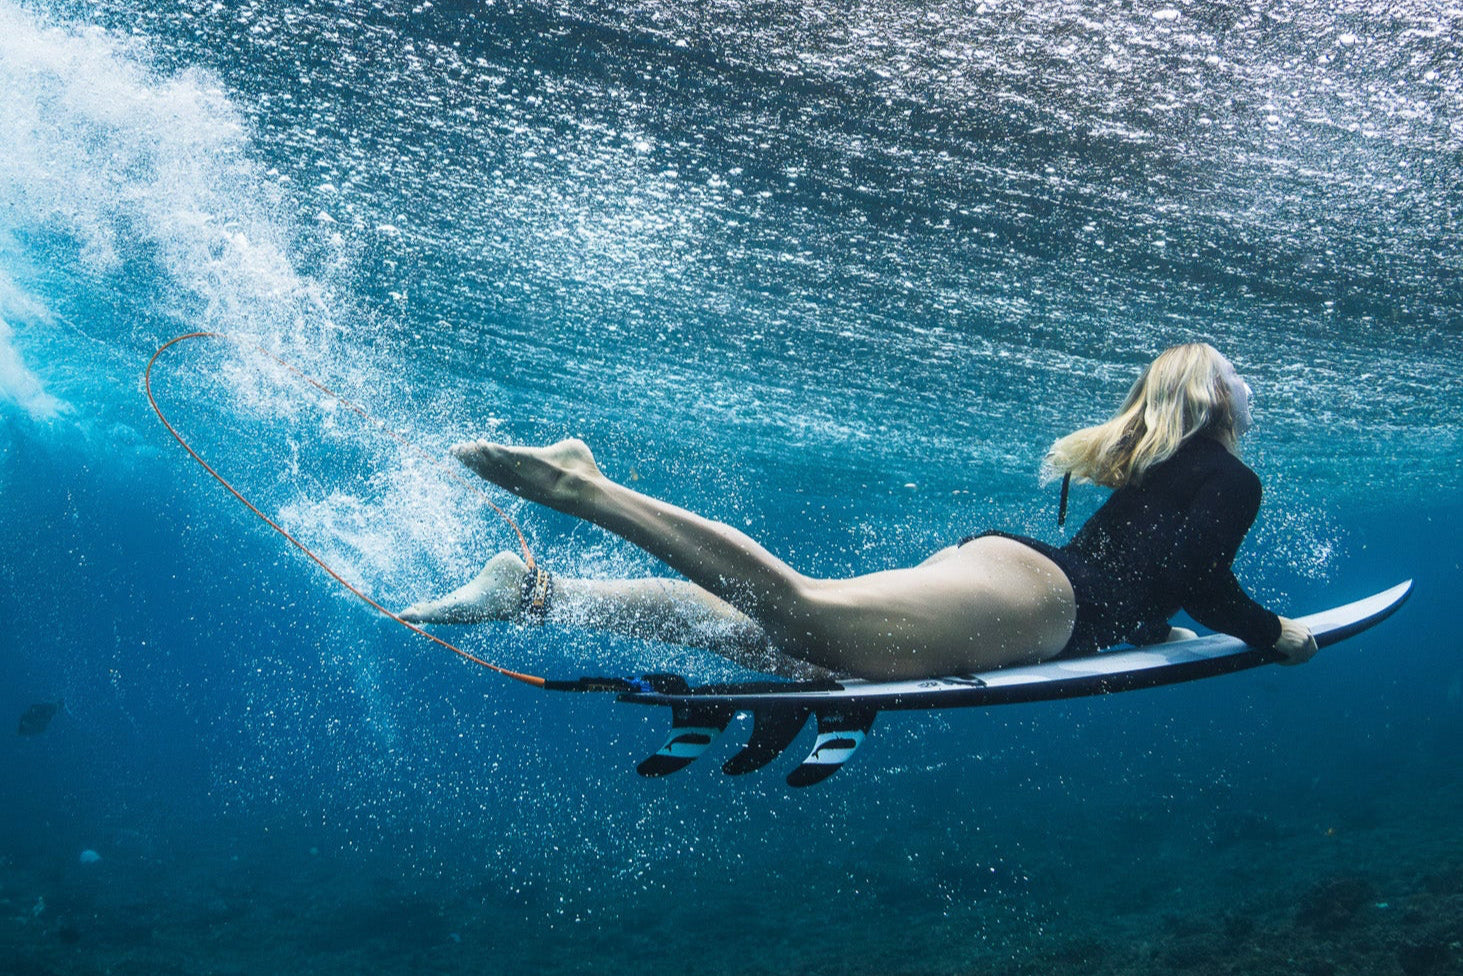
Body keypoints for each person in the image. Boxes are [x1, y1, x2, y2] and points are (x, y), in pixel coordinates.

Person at [401, 343, 1317, 680]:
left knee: (777, 637)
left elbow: (1147, 569)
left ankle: (534, 593)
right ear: (1227, 410)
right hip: (1044, 606)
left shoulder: (1145, 466)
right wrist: (1269, 632)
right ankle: (582, 487)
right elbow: (1194, 576)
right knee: (812, 618)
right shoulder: (1229, 479)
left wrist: (1151, 622)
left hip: (1016, 577)